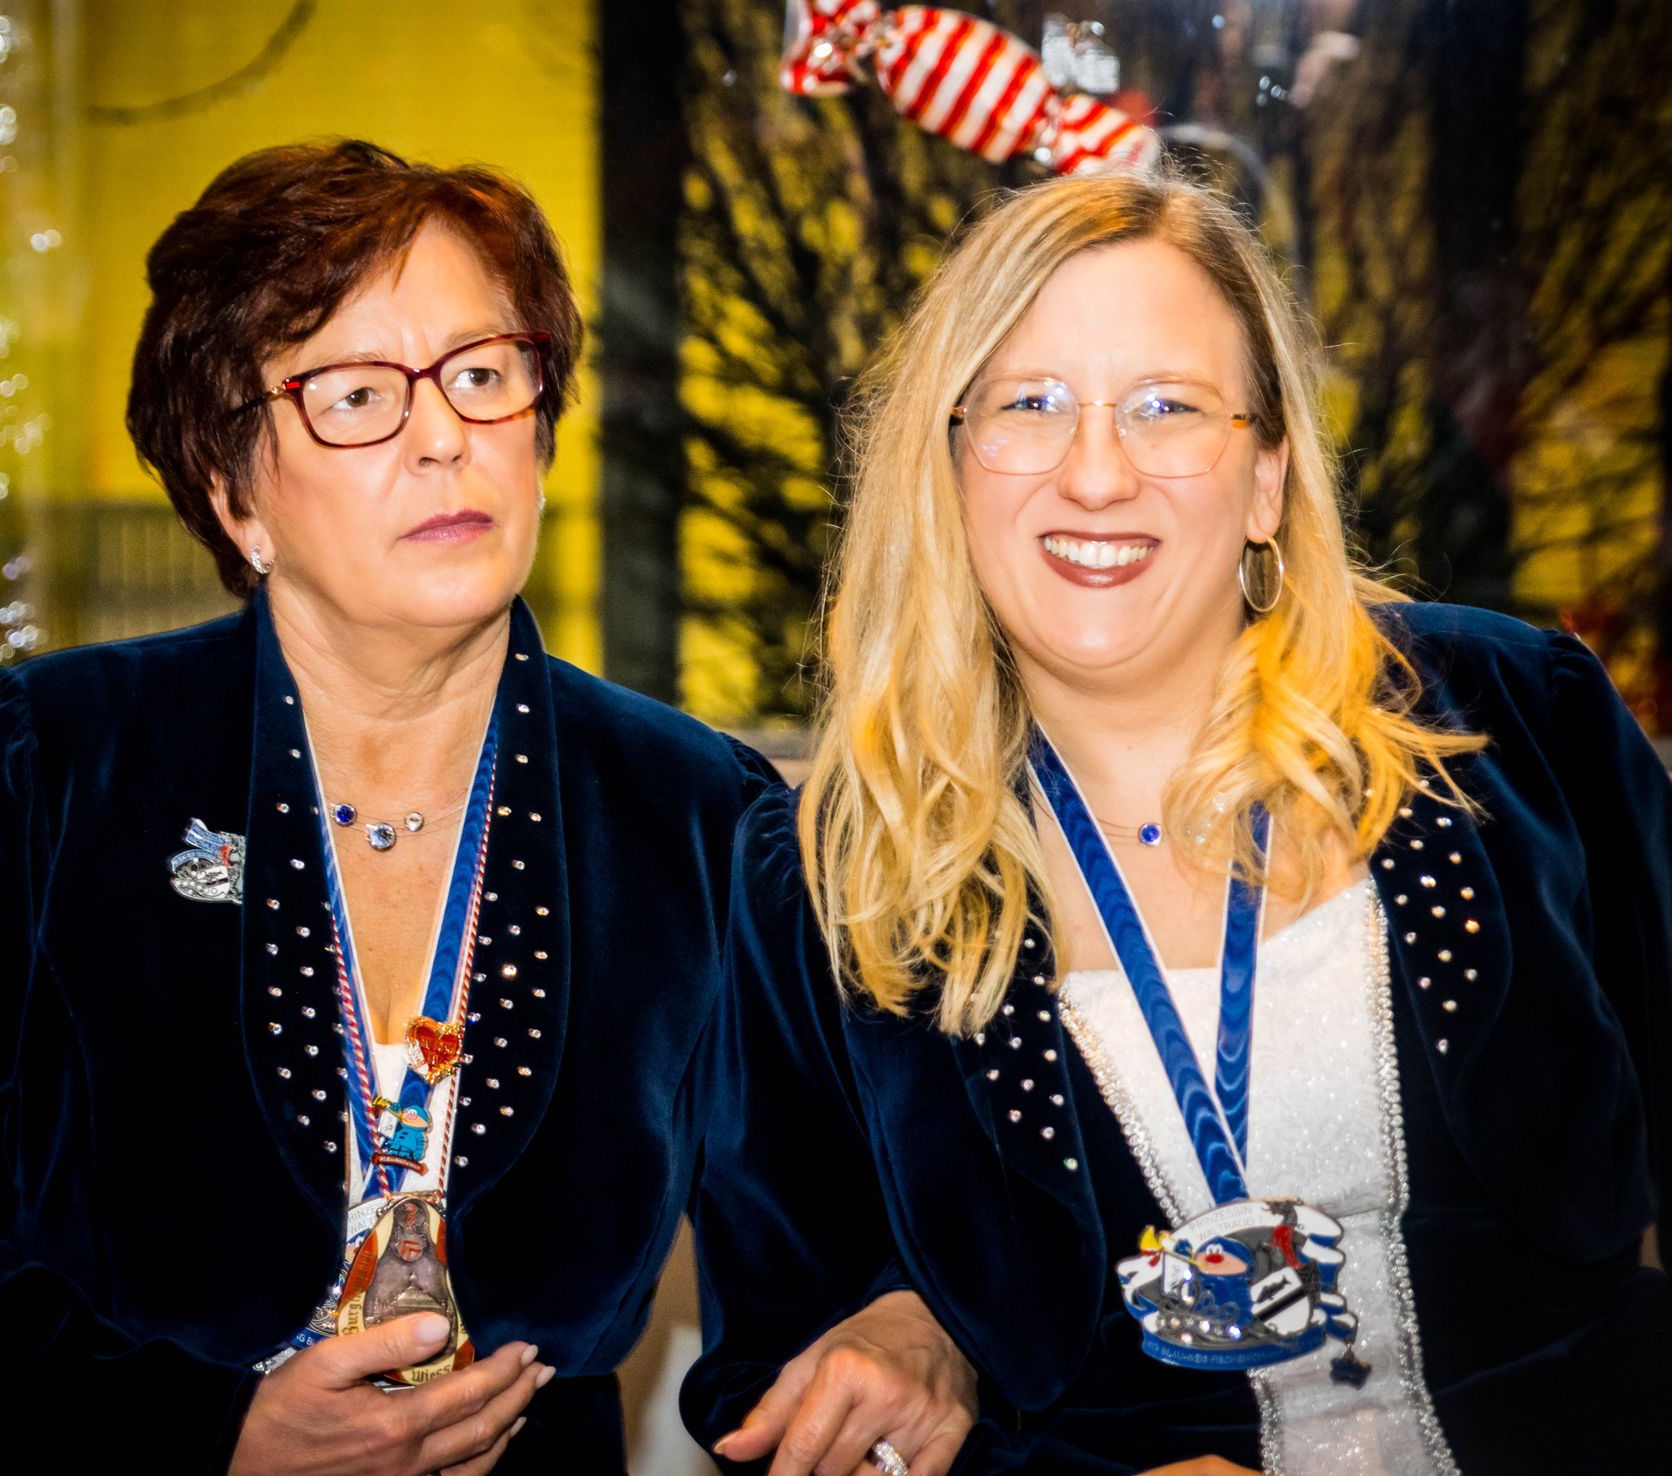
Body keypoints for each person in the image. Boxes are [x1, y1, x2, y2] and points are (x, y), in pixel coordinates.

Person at [0, 139, 973, 1476]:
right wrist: (206, 1436)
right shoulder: (53, 760)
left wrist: (912, 1319)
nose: (445, 436)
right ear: (232, 488)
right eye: (357, 395)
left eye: (483, 375)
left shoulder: (695, 811)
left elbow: (822, 1264)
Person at [686, 169, 1672, 1473]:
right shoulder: (821, 880)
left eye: (1167, 406)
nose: (1097, 474)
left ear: (1267, 476)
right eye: (1030, 405)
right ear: (949, 469)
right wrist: (923, 1339)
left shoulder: (1518, 718)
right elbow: (777, 1386)